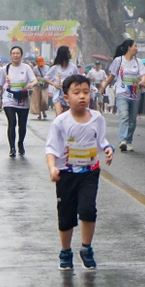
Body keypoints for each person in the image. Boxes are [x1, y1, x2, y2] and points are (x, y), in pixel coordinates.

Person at [45, 74, 114, 271]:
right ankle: (65, 251)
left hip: (89, 172)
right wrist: (52, 168)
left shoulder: (97, 118)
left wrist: (108, 149)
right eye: (76, 93)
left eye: (86, 92)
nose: (82, 96)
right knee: (66, 215)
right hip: (66, 173)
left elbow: (102, 141)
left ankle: (86, 247)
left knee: (87, 209)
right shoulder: (61, 122)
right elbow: (51, 149)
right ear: (66, 97)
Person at [104, 39, 145, 152]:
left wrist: (143, 81)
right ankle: (122, 140)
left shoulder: (138, 62)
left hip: (135, 95)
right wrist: (103, 86)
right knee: (124, 115)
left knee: (132, 120)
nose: (137, 48)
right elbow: (111, 76)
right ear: (129, 47)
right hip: (121, 93)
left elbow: (143, 75)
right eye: (135, 46)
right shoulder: (118, 61)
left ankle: (129, 141)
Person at [0, 46, 35, 157]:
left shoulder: (26, 68)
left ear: (21, 55)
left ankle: (20, 143)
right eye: (13, 53)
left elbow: (34, 80)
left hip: (23, 99)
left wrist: (31, 84)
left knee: (22, 125)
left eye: (17, 53)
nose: (15, 55)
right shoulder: (5, 69)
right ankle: (12, 148)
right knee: (12, 122)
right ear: (11, 55)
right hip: (9, 98)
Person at [45, 45, 80, 117]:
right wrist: (54, 84)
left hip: (68, 93)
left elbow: (78, 78)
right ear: (64, 54)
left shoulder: (73, 67)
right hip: (58, 93)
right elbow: (46, 78)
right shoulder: (55, 68)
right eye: (68, 52)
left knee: (66, 115)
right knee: (59, 114)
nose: (70, 54)